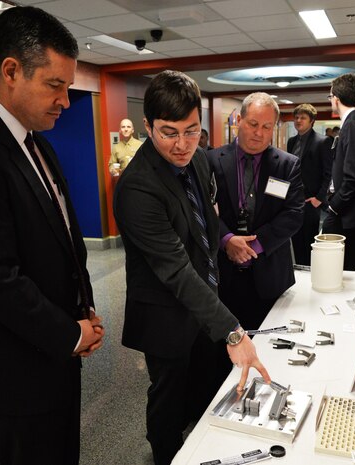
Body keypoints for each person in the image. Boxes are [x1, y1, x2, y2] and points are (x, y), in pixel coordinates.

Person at [0, 6, 105, 465]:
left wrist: (84, 306)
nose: (64, 99)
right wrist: (68, 333)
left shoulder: (37, 142)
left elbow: (63, 236)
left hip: (57, 355)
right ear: (11, 71)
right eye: (55, 85)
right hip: (14, 375)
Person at [113, 70, 270, 465]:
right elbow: (176, 269)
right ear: (147, 127)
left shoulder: (198, 159)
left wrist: (224, 240)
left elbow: (202, 218)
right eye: (169, 132)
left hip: (203, 305)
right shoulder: (137, 187)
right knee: (169, 402)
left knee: (205, 389)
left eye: (191, 131)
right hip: (165, 315)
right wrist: (234, 332)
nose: (182, 145)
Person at [207, 92, 304, 332]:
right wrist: (227, 240)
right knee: (223, 348)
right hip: (223, 275)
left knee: (268, 346)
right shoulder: (210, 160)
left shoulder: (287, 165)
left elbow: (293, 214)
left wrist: (253, 246)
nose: (259, 133)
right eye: (252, 124)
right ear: (239, 120)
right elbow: (200, 208)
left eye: (266, 127)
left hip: (269, 274)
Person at [323, 73, 355, 270]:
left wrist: (335, 206)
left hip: (345, 211)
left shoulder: (352, 125)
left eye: (330, 97)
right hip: (351, 210)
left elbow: (353, 175)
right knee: (349, 264)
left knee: (340, 266)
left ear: (336, 98)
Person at [287, 104, 333, 265]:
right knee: (295, 240)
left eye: (303, 118)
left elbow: (328, 173)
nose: (298, 121)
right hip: (293, 200)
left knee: (309, 243)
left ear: (312, 121)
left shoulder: (323, 141)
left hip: (311, 201)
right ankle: (299, 274)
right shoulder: (291, 141)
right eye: (296, 117)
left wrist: (319, 198)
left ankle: (309, 275)